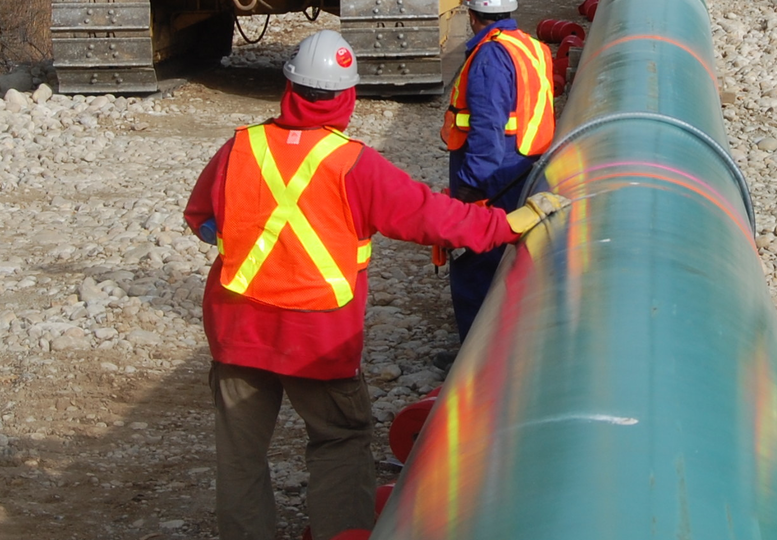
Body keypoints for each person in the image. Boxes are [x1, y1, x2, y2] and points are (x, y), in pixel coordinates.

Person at [185, 30, 567, 540]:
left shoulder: (240, 147)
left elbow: (201, 218)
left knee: (240, 453)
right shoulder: (354, 165)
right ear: (347, 98)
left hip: (238, 329)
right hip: (318, 338)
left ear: (288, 87)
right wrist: (505, 224)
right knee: (339, 439)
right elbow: (431, 217)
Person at [441, 0, 556, 339]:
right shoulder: (531, 46)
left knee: (474, 266)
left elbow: (487, 128)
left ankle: (473, 357)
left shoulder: (490, 55)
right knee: (512, 267)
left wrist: (468, 190)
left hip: (492, 180)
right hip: (526, 170)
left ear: (472, 15)